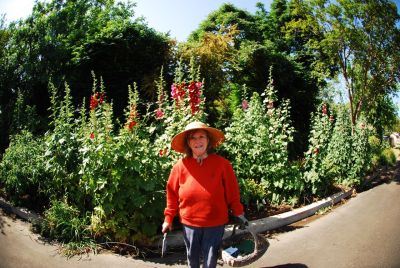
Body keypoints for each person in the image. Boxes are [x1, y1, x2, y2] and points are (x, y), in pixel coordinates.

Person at [161, 121, 248, 268]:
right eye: (192, 138)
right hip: (190, 223)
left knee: (210, 259)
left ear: (208, 141)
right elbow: (172, 194)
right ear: (188, 143)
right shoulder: (179, 167)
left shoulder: (223, 164)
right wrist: (168, 218)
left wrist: (239, 213)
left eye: (201, 136)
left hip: (215, 223)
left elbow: (232, 192)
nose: (197, 141)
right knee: (192, 258)